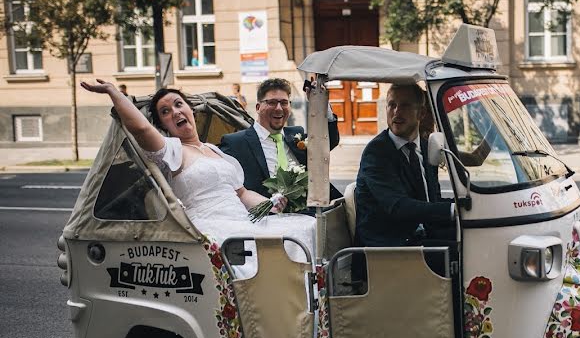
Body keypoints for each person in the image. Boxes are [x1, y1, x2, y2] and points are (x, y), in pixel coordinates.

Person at [78, 78, 316, 261]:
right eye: (166, 112)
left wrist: (270, 203)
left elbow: (242, 194)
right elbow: (140, 130)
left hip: (241, 219)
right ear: (164, 126)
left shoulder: (216, 151)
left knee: (305, 227)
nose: (175, 112)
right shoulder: (172, 150)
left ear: (191, 110)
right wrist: (114, 93)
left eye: (179, 105)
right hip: (210, 227)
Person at [354, 84, 455, 247]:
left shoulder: (426, 147)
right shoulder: (377, 152)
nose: (396, 112)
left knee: (476, 238)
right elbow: (398, 206)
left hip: (421, 236)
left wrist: (464, 204)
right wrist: (452, 211)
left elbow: (432, 199)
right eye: (392, 105)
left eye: (405, 106)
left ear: (421, 113)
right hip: (389, 248)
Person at [219, 77, 342, 202]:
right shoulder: (235, 143)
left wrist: (322, 104)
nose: (279, 108)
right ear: (258, 107)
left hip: (308, 214)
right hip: (265, 217)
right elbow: (224, 187)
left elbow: (327, 142)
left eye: (284, 103)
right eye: (272, 102)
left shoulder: (295, 135)